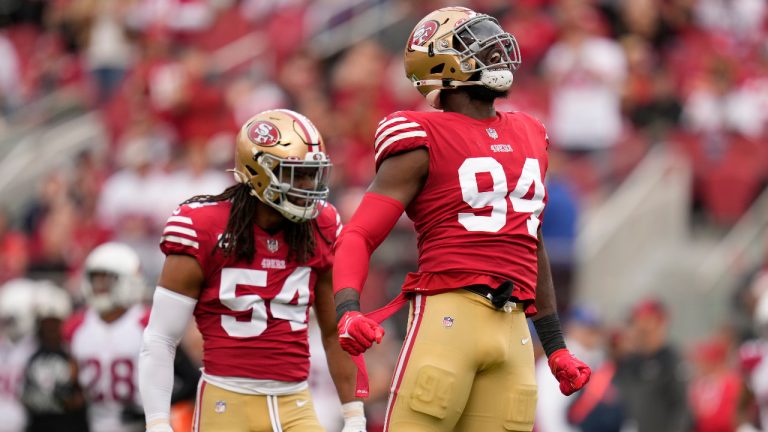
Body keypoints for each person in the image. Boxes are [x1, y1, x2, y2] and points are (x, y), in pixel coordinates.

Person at [332, 6, 591, 432]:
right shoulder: (420, 136)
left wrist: (556, 345)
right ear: (440, 64)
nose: (495, 54)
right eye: (478, 47)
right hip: (448, 314)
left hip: (514, 331)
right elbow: (358, 232)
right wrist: (348, 308)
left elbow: (530, 243)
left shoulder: (529, 131)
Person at [138, 109, 366, 432]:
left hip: (296, 404)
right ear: (259, 171)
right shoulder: (203, 227)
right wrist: (158, 422)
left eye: (312, 174)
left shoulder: (322, 225)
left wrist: (355, 415)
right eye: (295, 174)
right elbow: (160, 337)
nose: (308, 186)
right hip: (227, 402)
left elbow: (333, 330)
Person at [64, 242, 198, 432]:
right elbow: (74, 390)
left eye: (106, 280)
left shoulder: (147, 323)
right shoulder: (76, 327)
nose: (99, 287)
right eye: (96, 280)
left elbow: (191, 380)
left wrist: (149, 413)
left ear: (128, 280)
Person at [21, 280, 89, 432]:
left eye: (54, 323)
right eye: (45, 323)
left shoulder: (73, 352)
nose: (49, 329)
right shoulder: (32, 353)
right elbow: (26, 396)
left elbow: (82, 398)